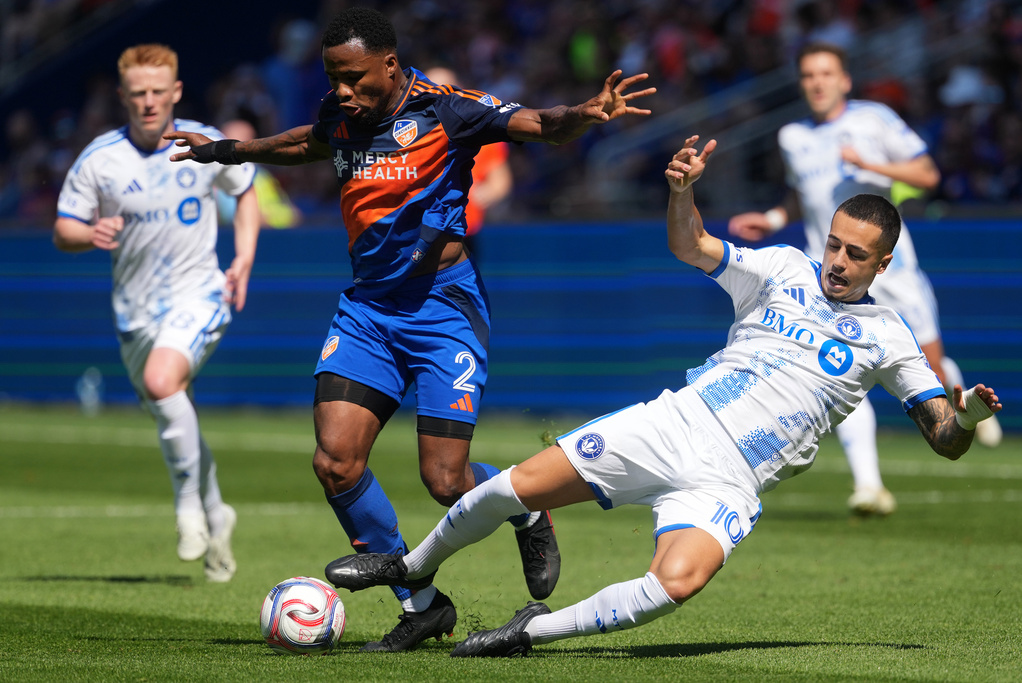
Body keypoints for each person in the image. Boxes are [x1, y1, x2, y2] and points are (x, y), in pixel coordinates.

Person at [322, 135, 1002, 657]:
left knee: (677, 581)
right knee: (517, 487)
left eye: (856, 254)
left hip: (733, 479)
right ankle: (411, 567)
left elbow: (944, 435)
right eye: (834, 245)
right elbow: (693, 245)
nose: (838, 262)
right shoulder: (784, 268)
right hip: (677, 421)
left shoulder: (888, 334)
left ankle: (529, 632)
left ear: (884, 262)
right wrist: (682, 192)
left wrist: (965, 413)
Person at [165, 7, 655, 651]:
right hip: (368, 311)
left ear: (389, 65)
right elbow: (303, 144)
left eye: (354, 76)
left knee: (445, 482)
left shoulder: (449, 109)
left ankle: (529, 506)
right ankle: (422, 605)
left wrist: (583, 115)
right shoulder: (342, 114)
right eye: (333, 76)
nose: (342, 88)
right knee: (336, 463)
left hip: (442, 309)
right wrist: (226, 151)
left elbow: (536, 124)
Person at [727, 41, 1002, 518]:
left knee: (928, 370)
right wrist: (773, 218)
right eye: (809, 74)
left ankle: (955, 388)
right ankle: (869, 486)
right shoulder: (792, 135)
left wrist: (870, 166)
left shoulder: (873, 119)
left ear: (844, 80)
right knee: (835, 367)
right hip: (832, 275)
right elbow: (802, 194)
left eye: (826, 73)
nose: (817, 82)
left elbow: (926, 173)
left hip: (892, 272)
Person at [53, 44, 260, 583]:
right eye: (138, 93)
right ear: (123, 96)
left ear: (176, 92)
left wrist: (242, 258)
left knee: (161, 379)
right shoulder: (100, 159)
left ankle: (189, 507)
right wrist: (88, 233)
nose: (148, 102)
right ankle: (218, 516)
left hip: (199, 294)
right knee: (175, 406)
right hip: (135, 314)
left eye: (157, 92)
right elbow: (64, 228)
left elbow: (247, 192)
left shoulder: (202, 143)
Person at [423, 66, 514, 259]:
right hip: (416, 232)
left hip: (462, 231)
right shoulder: (408, 132)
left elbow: (500, 181)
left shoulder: (481, 134)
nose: (436, 96)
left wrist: (474, 196)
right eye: (430, 89)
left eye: (444, 89)